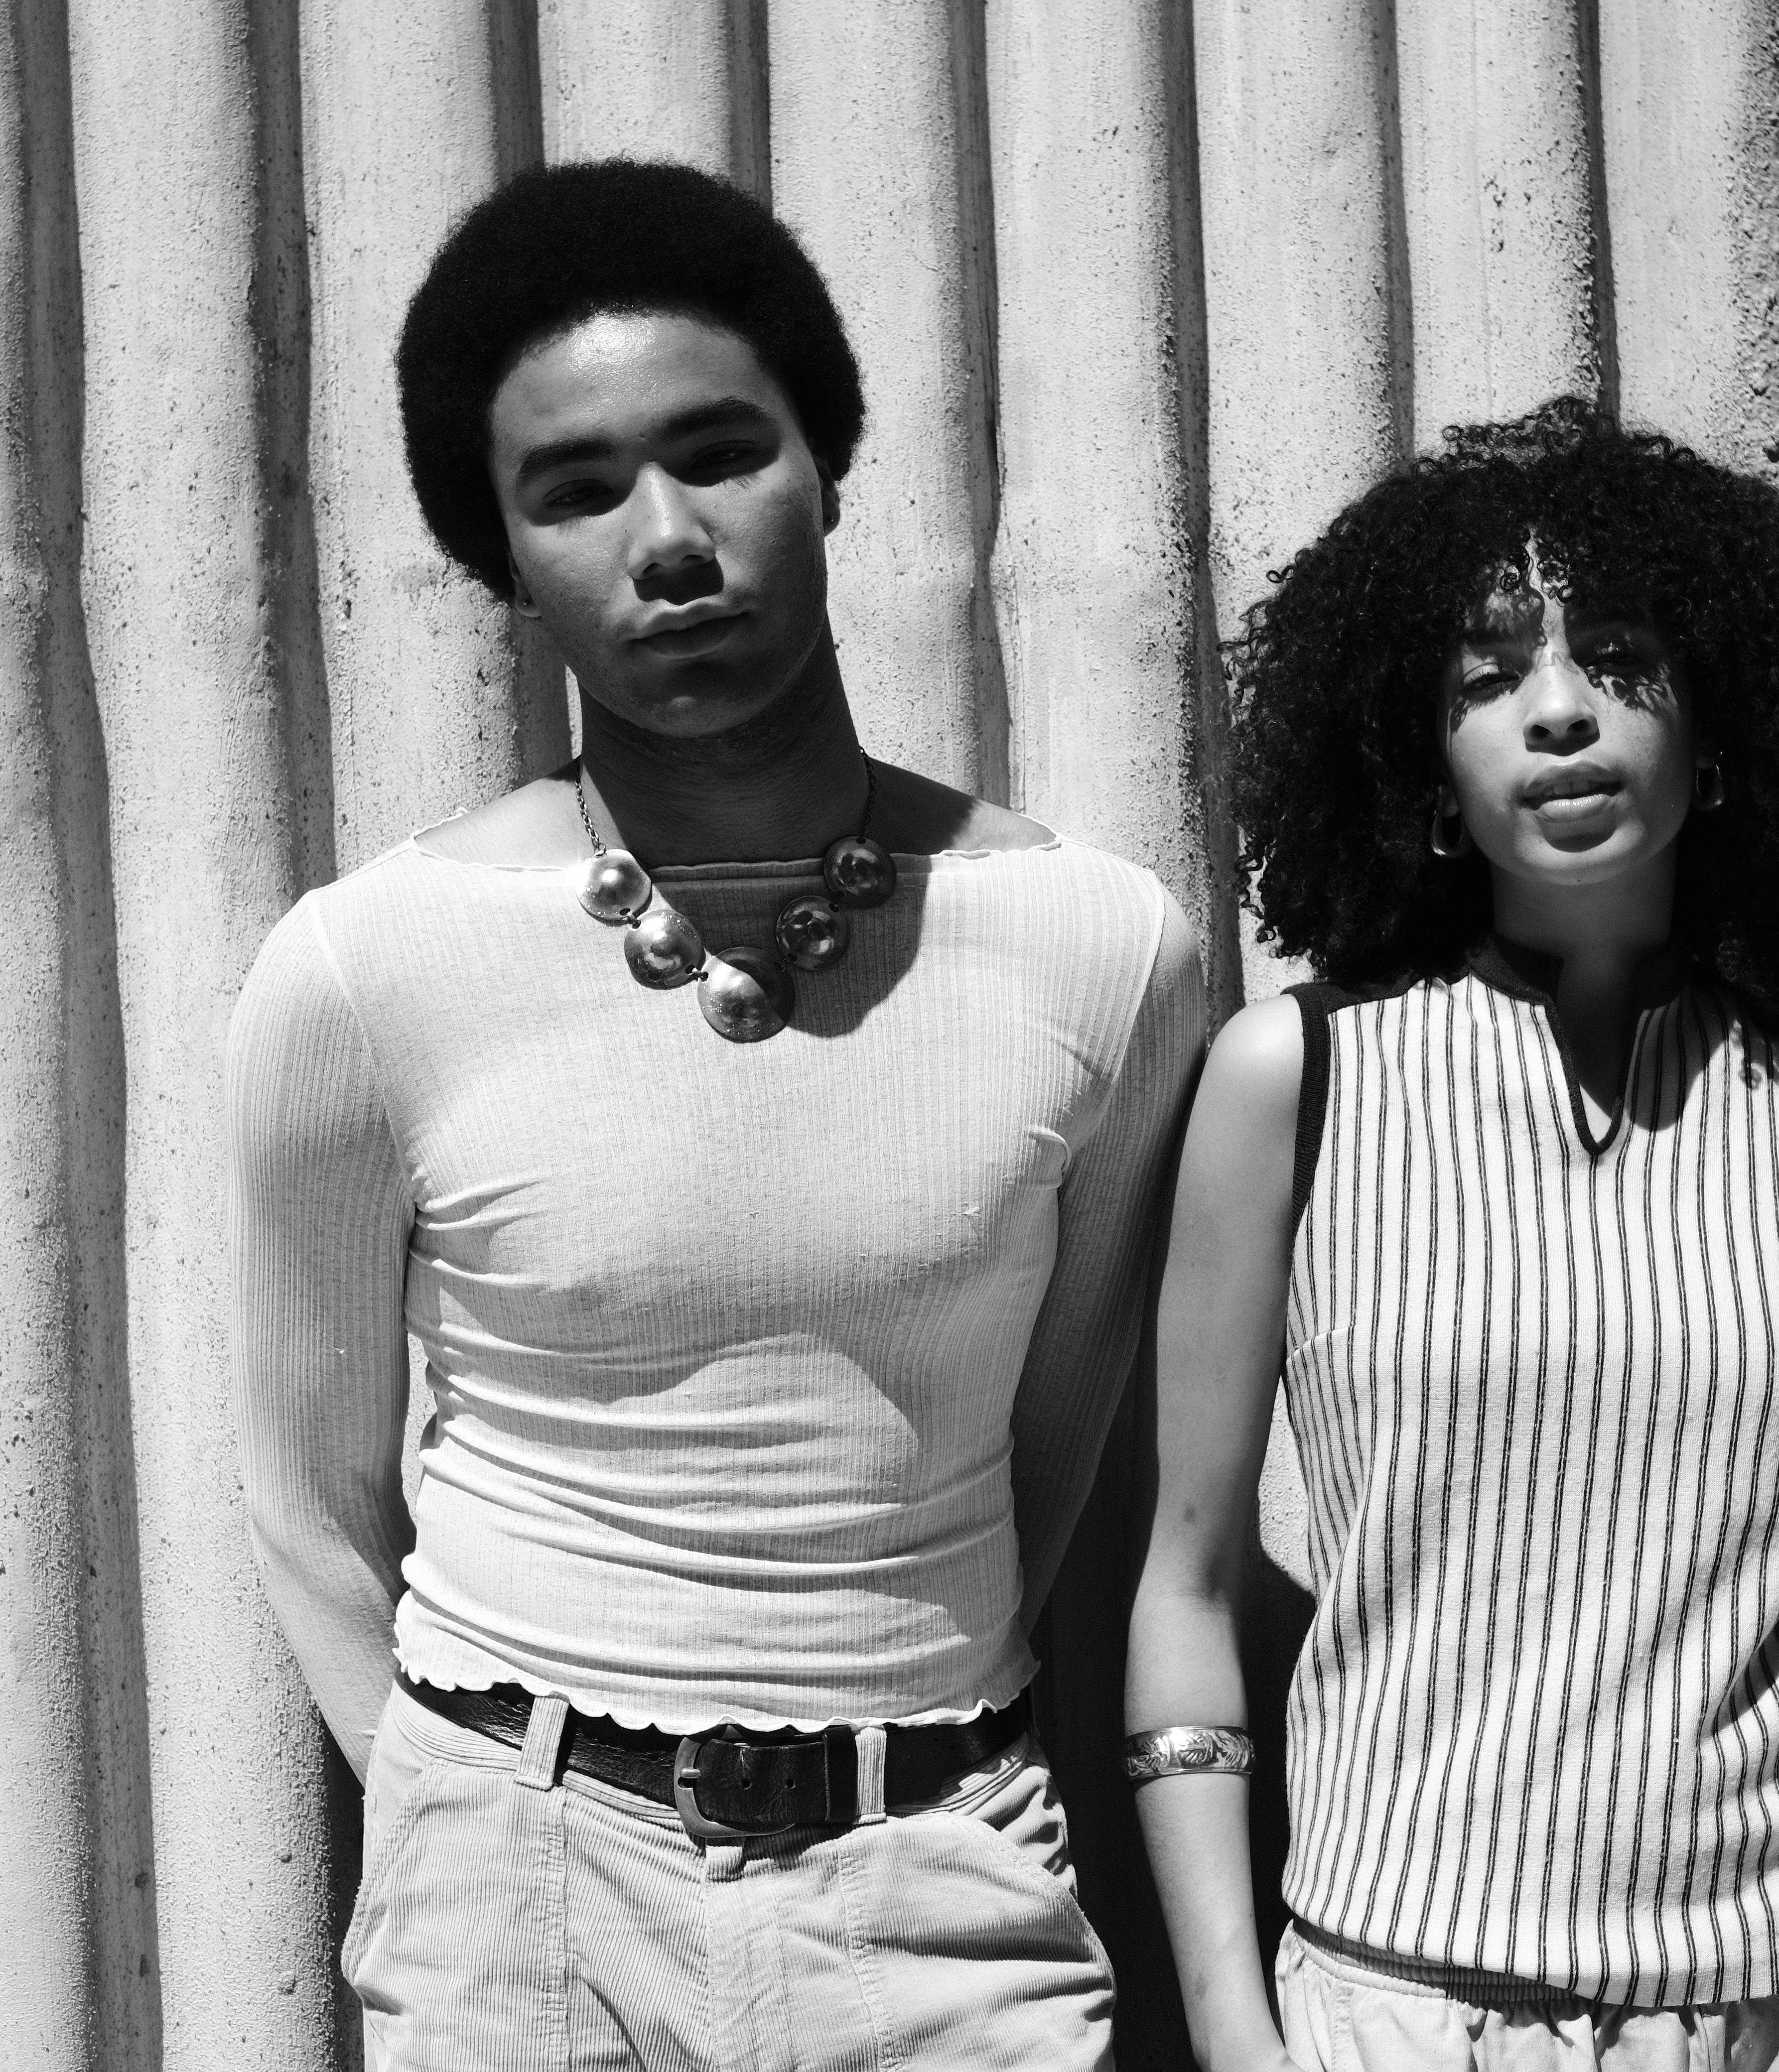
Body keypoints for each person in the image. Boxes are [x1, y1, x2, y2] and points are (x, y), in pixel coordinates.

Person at [228, 158, 1205, 2071]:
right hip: (519, 1906)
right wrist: (465, 1822)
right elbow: (308, 1497)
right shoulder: (371, 970)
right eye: (575, 490)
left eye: (720, 452)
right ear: (504, 554)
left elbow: (1055, 1443)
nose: (666, 537)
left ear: (826, 466)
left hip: (947, 1884)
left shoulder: (1102, 949)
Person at [1126, 399, 1779, 2072]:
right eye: (1490, 680)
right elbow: (1184, 1589)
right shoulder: (1300, 1079)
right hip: (1414, 2001)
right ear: (1424, 775)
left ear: (1722, 736)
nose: (1558, 712)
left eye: (1617, 659)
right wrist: (1231, 2029)